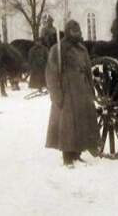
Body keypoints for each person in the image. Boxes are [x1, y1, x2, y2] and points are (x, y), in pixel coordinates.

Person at [45, 19, 99, 167]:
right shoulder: (58, 49)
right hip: (67, 92)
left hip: (82, 90)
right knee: (68, 126)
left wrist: (91, 89)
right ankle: (67, 157)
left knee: (82, 123)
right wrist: (56, 95)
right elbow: (51, 74)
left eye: (79, 31)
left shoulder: (82, 49)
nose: (77, 34)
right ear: (68, 32)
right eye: (74, 31)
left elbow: (88, 70)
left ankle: (77, 154)